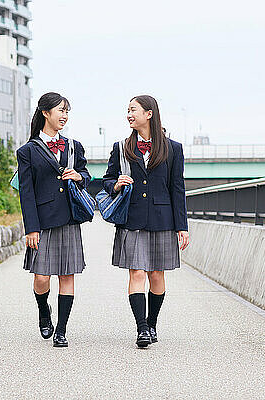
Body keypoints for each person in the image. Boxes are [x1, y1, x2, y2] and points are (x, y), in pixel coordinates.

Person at [102, 95, 190, 348]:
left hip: (162, 219)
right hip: (133, 218)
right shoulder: (121, 147)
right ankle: (141, 328)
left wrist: (181, 226)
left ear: (149, 114)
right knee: (137, 271)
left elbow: (177, 188)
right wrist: (116, 183)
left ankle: (152, 323)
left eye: (133, 110)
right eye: (127, 111)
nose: (129, 115)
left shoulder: (173, 148)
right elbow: (107, 179)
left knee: (157, 274)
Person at [16, 92, 91, 347]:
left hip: (69, 219)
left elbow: (87, 175)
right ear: (46, 113)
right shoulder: (27, 151)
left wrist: (79, 177)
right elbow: (26, 192)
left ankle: (61, 330)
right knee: (41, 277)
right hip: (43, 222)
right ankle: (43, 309)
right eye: (61, 110)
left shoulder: (74, 146)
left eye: (67, 111)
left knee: (67, 276)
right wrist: (31, 229)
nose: (65, 116)